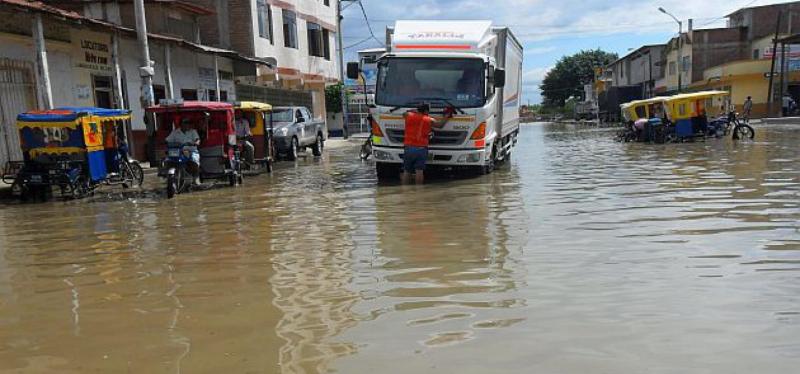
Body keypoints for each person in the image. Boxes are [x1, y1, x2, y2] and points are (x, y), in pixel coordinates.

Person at [401, 103, 453, 184]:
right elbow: (440, 125)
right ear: (426, 111)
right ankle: (419, 190)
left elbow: (404, 113)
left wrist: (415, 111)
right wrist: (447, 116)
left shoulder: (408, 116)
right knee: (419, 171)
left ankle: (404, 189)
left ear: (418, 109)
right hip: (421, 149)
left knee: (407, 171)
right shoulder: (429, 119)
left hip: (408, 148)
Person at [166, 118, 201, 184]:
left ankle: (196, 177)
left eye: (188, 123)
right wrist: (165, 143)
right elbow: (167, 140)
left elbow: (197, 140)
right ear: (181, 124)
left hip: (191, 151)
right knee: (168, 160)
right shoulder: (175, 132)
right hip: (178, 151)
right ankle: (169, 175)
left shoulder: (193, 131)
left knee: (194, 160)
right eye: (185, 123)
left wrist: (196, 143)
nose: (187, 125)